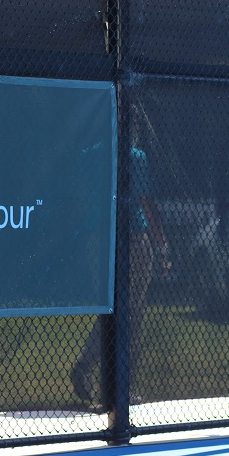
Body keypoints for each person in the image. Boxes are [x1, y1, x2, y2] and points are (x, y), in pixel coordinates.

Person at [71, 145, 171, 411]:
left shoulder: (89, 154)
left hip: (96, 237)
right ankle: (118, 387)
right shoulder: (134, 156)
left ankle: (92, 371)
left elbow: (80, 199)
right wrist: (162, 247)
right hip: (131, 236)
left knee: (111, 308)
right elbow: (146, 202)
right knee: (131, 313)